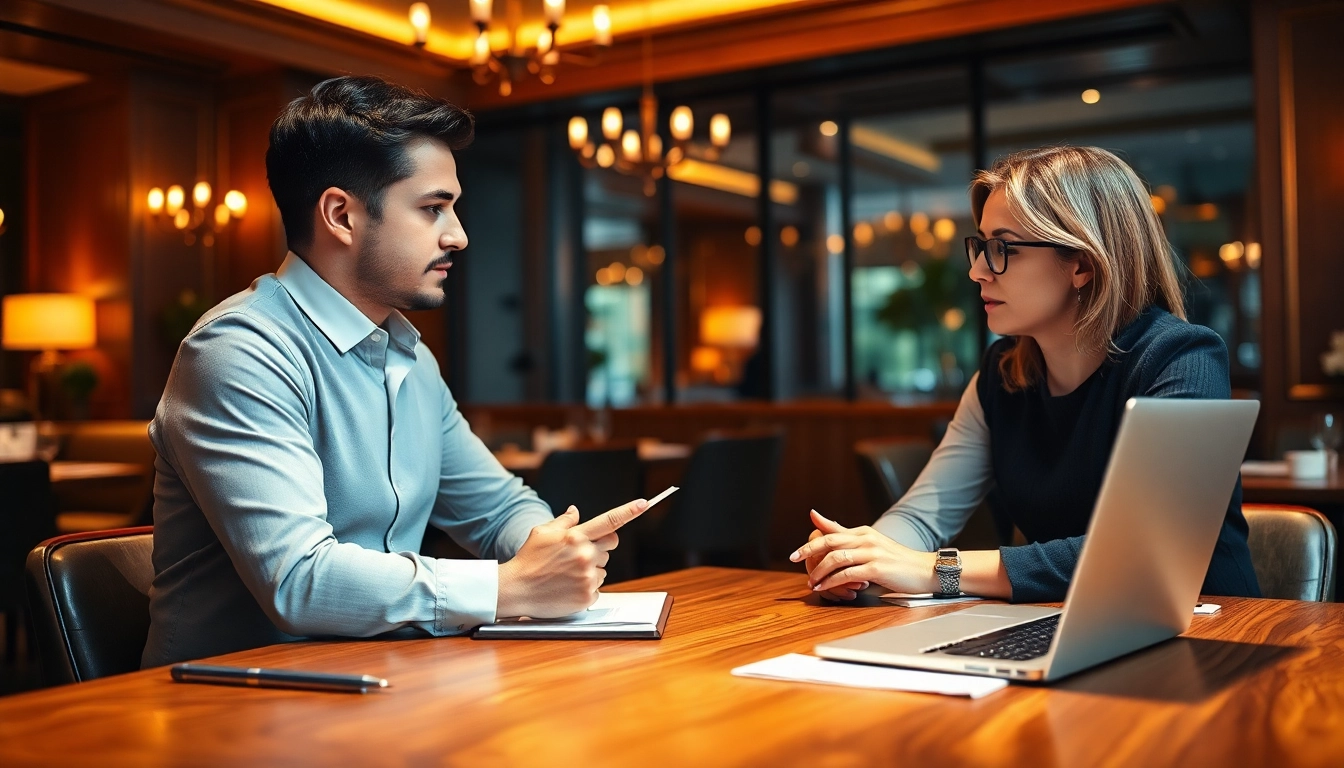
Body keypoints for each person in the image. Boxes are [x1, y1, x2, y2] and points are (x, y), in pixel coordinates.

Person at [142, 76, 645, 667]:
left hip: (380, 683)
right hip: (226, 707)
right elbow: (299, 579)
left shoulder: (410, 356)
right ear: (341, 216)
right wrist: (508, 588)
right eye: (433, 208)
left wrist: (550, 549)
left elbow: (500, 508)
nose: (459, 235)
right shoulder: (240, 351)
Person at [791, 145, 1261, 603]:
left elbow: (1143, 557)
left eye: (1001, 249)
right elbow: (921, 519)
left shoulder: (1182, 358)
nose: (977, 271)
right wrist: (858, 560)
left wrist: (934, 570)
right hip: (1068, 625)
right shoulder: (1002, 375)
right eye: (979, 246)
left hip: (1215, 633)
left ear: (1082, 264)